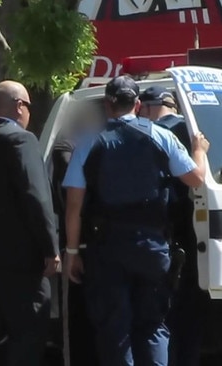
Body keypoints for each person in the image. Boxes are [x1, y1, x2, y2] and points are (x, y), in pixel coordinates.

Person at [63, 76, 210, 366]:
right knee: (154, 326)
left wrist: (72, 253)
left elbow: (73, 206)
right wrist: (199, 151)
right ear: (138, 105)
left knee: (115, 331)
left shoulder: (89, 142)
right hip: (152, 246)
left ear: (107, 105)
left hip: (107, 249)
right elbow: (197, 179)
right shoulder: (161, 136)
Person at [0, 80, 60, 366]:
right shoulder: (22, 140)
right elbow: (36, 197)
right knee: (29, 330)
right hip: (21, 257)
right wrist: (50, 248)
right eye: (29, 106)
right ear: (20, 106)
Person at [139, 86, 211, 366]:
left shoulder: (151, 133)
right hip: (195, 236)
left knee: (160, 319)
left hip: (160, 236)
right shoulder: (193, 131)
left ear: (146, 107)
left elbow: (196, 177)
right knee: (190, 316)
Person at [51, 119, 103, 366]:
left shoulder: (89, 145)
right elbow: (72, 202)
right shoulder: (68, 146)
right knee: (79, 324)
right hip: (82, 246)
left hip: (93, 246)